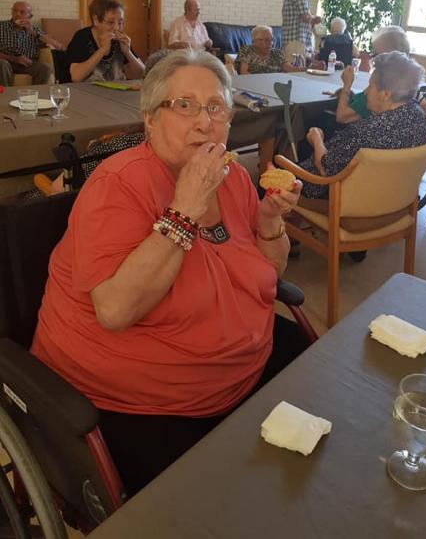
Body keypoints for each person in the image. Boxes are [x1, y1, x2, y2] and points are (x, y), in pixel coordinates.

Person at [31, 50, 304, 496]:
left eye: (215, 107)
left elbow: (269, 275)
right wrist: (186, 208)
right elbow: (115, 310)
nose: (204, 122)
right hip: (144, 402)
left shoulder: (234, 178)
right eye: (184, 105)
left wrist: (270, 221)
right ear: (150, 120)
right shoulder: (118, 185)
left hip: (241, 367)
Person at [300, 51, 426, 200]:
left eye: (370, 86)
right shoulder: (420, 118)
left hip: (339, 198)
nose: (366, 92)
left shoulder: (368, 130)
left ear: (386, 94)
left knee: (279, 171)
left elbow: (325, 169)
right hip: (393, 199)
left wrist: (316, 138)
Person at [336, 25, 411, 125]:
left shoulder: (382, 86)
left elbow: (341, 117)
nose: (372, 59)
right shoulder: (404, 81)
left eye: (374, 55)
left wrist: (346, 86)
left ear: (386, 57)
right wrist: (348, 93)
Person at [66, 0, 145, 83]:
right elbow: (76, 77)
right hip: (88, 90)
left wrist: (128, 52)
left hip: (117, 90)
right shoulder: (82, 37)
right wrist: (102, 50)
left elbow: (142, 74)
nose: (117, 28)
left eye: (120, 22)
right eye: (111, 22)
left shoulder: (121, 41)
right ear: (96, 20)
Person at [0, 1, 65, 86]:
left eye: (22, 12)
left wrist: (33, 33)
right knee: (2, 64)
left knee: (45, 68)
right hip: (6, 61)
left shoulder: (35, 30)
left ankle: (35, 93)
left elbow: (59, 47)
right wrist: (15, 59)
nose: (17, 14)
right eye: (15, 11)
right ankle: (5, 93)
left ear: (30, 16)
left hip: (27, 64)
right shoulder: (2, 26)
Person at [281, 0, 322, 64]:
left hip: (289, 40)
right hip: (296, 41)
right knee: (297, 70)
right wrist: (316, 19)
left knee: (291, 68)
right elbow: (306, 16)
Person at [238, 25, 302, 74]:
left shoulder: (277, 53)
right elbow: (244, 73)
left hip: (276, 84)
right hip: (254, 85)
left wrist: (307, 69)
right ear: (255, 41)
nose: (270, 43)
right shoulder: (246, 51)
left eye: (271, 40)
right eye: (266, 40)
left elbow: (291, 69)